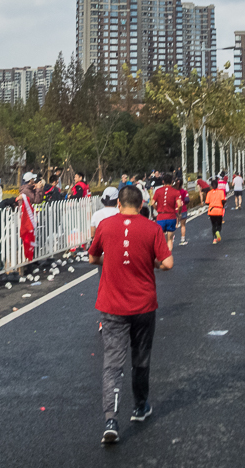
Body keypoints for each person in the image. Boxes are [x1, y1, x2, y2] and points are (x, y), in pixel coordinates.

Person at [88, 184, 173, 444]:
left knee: (112, 363)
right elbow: (168, 263)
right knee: (140, 358)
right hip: (143, 306)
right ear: (141, 204)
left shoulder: (106, 226)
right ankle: (139, 407)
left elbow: (92, 258)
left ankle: (111, 419)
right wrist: (152, 262)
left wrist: (110, 259)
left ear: (119, 204)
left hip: (112, 306)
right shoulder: (152, 228)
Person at [150, 174, 179, 250]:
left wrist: (157, 209)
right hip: (171, 216)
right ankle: (169, 257)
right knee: (170, 240)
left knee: (161, 240)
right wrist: (178, 212)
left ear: (163, 181)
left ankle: (162, 259)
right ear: (172, 181)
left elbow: (152, 203)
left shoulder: (158, 191)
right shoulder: (175, 192)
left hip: (160, 217)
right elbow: (179, 204)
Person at [175, 181, 190, 246]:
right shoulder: (184, 191)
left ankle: (171, 239)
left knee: (173, 226)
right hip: (183, 209)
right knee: (183, 225)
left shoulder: (173, 192)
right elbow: (187, 200)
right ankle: (182, 240)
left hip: (174, 210)